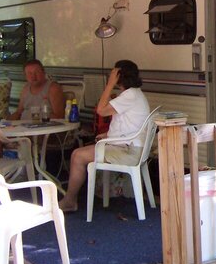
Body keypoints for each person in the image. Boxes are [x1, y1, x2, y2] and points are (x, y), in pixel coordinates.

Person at [58, 60, 151, 213]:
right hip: (131, 148)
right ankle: (70, 199)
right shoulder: (134, 94)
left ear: (118, 76)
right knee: (78, 154)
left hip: (128, 152)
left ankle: (70, 201)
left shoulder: (129, 95)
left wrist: (108, 85)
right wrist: (108, 135)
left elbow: (101, 110)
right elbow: (129, 124)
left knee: (78, 156)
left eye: (113, 73)